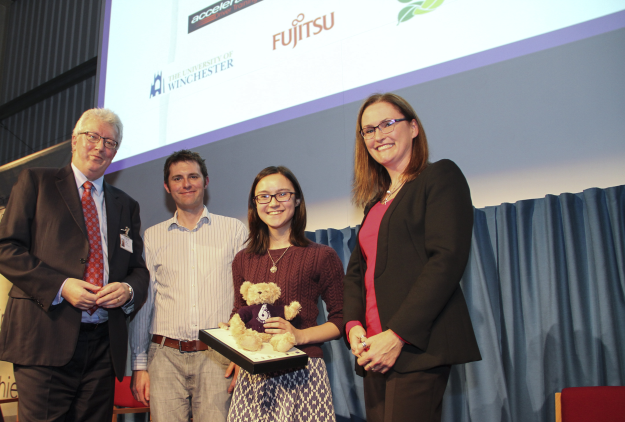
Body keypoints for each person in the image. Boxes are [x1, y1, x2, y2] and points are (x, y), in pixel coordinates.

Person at [0, 108, 149, 422]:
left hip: (103, 346)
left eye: (110, 142)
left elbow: (138, 270)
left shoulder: (126, 205)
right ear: (74, 140)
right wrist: (62, 286)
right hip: (44, 339)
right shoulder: (37, 182)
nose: (100, 146)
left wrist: (128, 289)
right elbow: (5, 250)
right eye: (93, 136)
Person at [343, 93, 481, 422]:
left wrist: (397, 335)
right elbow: (355, 274)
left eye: (388, 123)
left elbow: (445, 261)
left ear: (414, 127)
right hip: (373, 350)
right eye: (369, 130)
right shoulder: (374, 204)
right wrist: (353, 327)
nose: (378, 135)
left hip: (416, 346)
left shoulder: (439, 177)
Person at [129, 150, 248, 422]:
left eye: (193, 176)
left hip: (218, 355)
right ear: (167, 187)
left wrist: (243, 354)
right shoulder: (153, 236)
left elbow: (246, 298)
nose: (186, 184)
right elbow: (145, 303)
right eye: (178, 178)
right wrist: (139, 364)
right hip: (164, 358)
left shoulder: (234, 231)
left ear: (206, 181)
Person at [227, 165, 344, 422]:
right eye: (264, 196)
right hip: (254, 374)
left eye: (282, 194)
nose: (273, 203)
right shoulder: (242, 259)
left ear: (297, 199)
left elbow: (341, 320)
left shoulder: (322, 255)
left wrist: (299, 335)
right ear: (255, 204)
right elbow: (239, 313)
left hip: (304, 370)